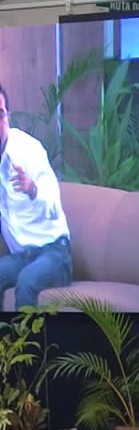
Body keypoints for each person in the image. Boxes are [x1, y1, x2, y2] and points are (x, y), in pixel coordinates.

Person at [0, 84, 72, 310]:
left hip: (54, 253)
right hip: (21, 257)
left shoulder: (28, 150)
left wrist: (32, 189)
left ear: (8, 116)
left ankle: (26, 336)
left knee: (26, 282)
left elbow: (53, 204)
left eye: (0, 114)